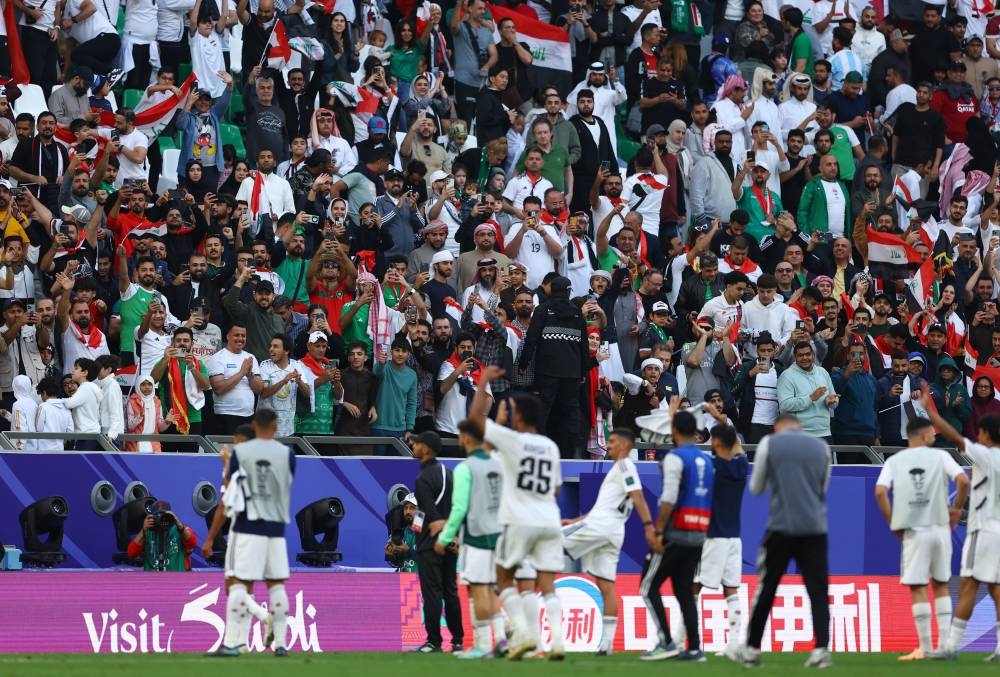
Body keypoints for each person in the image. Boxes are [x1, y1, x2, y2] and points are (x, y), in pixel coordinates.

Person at [471, 365, 564, 660]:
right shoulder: (551, 446)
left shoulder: (513, 440)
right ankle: (558, 642)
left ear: (519, 416)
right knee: (546, 584)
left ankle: (523, 634)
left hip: (519, 520)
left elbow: (474, 421)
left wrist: (483, 380)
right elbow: (557, 489)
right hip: (549, 520)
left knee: (503, 576)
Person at [736, 414, 833, 668]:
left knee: (766, 589)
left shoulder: (770, 443)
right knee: (818, 591)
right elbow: (823, 488)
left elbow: (756, 487)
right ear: (799, 427)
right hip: (814, 529)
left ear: (778, 427)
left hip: (781, 527)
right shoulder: (821, 447)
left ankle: (752, 648)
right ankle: (822, 649)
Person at [874, 416, 969, 661]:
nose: (934, 437)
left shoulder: (895, 461)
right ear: (923, 434)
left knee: (918, 587)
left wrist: (892, 521)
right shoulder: (941, 457)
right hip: (940, 528)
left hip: (914, 530)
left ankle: (925, 648)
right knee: (940, 585)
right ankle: (946, 645)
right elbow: (963, 480)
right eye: (931, 433)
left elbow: (880, 491)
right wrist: (956, 509)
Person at [919, 393, 1000, 660]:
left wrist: (931, 412)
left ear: (986, 434)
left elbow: (954, 437)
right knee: (996, 588)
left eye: (980, 433)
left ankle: (950, 646)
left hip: (984, 530)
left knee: (969, 585)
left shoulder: (986, 456)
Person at [561, 426, 654, 656]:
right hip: (611, 530)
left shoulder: (624, 465)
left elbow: (638, 495)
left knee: (545, 544)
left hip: (602, 527)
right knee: (606, 586)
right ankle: (607, 645)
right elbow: (603, 507)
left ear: (624, 445)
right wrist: (575, 519)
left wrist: (648, 526)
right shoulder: (617, 469)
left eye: (612, 441)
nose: (608, 445)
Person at [210, 408, 295, 657]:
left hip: (248, 525)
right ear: (276, 427)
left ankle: (234, 644)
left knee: (239, 584)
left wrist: (227, 465)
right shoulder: (287, 453)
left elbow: (231, 484)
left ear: (254, 426)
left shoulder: (242, 452)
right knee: (276, 585)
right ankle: (281, 645)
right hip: (276, 527)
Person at [634, 399, 713, 662]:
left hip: (675, 531)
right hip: (699, 532)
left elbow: (668, 498)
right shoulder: (706, 460)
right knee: (683, 591)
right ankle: (695, 648)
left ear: (675, 431)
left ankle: (666, 642)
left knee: (648, 586)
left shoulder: (675, 458)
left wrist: (658, 532)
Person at [434, 419, 504, 659]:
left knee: (477, 590)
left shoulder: (465, 468)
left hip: (476, 538)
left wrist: (445, 537)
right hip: (499, 536)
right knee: (491, 590)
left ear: (465, 438)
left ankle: (483, 645)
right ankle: (502, 638)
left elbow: (459, 508)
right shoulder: (498, 465)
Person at [411, 430, 463, 653]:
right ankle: (458, 640)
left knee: (432, 593)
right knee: (450, 590)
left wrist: (418, 532)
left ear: (427, 449)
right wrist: (452, 537)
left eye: (418, 443)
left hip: (430, 545)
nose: (414, 445)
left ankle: (434, 641)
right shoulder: (450, 474)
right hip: (451, 541)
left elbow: (429, 513)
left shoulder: (423, 478)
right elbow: (456, 508)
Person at [776, 342, 838, 440]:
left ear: (813, 355)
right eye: (800, 355)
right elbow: (785, 405)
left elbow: (833, 400)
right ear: (795, 357)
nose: (805, 358)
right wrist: (810, 398)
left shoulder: (822, 372)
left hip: (825, 433)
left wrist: (831, 401)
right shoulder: (787, 376)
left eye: (808, 354)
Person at [126, 500, 197, 571]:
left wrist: (179, 525)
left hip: (176, 579)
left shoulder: (179, 530)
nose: (161, 519)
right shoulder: (148, 531)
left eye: (164, 516)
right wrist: (143, 531)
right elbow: (131, 553)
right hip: (152, 580)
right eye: (157, 516)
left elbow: (192, 543)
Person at [60, 357, 104, 450]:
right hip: (92, 434)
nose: (73, 371)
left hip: (85, 436)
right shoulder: (91, 387)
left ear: (85, 373)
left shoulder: (85, 387)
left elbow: (69, 404)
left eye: (76, 368)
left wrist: (56, 401)